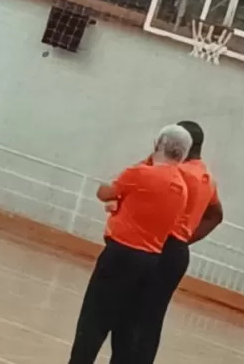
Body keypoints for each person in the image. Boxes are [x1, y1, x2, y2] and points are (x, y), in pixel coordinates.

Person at [68, 125, 191, 364]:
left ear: (158, 144)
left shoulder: (141, 174)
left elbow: (104, 192)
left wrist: (117, 199)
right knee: (127, 329)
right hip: (150, 263)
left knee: (93, 322)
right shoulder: (182, 189)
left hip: (121, 254)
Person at [109, 120, 223, 364]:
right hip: (177, 251)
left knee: (130, 314)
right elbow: (216, 215)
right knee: (152, 318)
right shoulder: (206, 176)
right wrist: (184, 239)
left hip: (156, 247)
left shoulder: (178, 172)